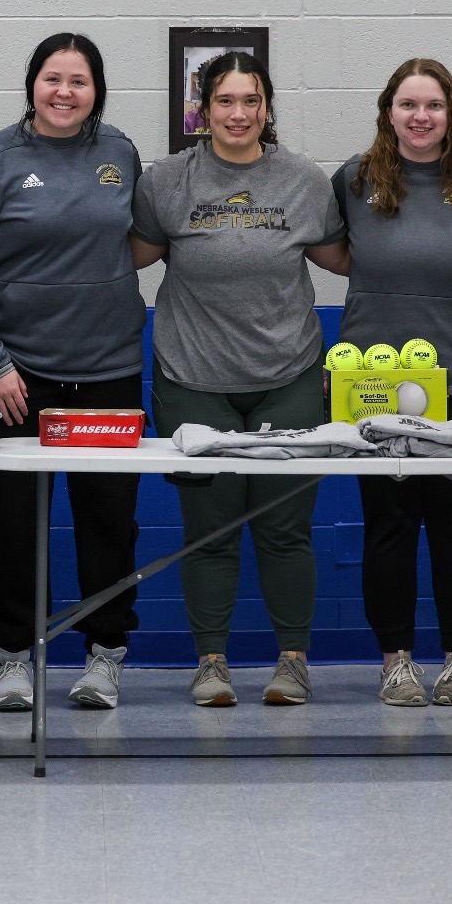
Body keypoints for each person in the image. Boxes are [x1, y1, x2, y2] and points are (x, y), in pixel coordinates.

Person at [133, 53, 348, 708]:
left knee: (285, 529)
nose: (237, 113)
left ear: (267, 107)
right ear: (203, 109)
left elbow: (346, 258)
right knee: (211, 529)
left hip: (288, 374)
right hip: (193, 378)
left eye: (250, 100)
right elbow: (122, 258)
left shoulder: (304, 181)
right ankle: (212, 663)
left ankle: (292, 662)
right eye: (224, 100)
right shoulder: (166, 181)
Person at [0, 34, 146, 711]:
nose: (65, 92)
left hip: (110, 371)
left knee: (108, 524)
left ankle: (105, 656)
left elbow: (135, 242)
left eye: (79, 81)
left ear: (98, 89)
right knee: (12, 524)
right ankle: (10, 658)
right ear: (33, 84)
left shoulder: (120, 153)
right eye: (53, 79)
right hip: (17, 380)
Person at [333, 57, 452, 708]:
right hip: (374, 387)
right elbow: (333, 250)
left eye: (432, 105)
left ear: (450, 112)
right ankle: (397, 661)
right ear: (388, 111)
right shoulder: (355, 180)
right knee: (389, 525)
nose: (420, 116)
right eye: (407, 104)